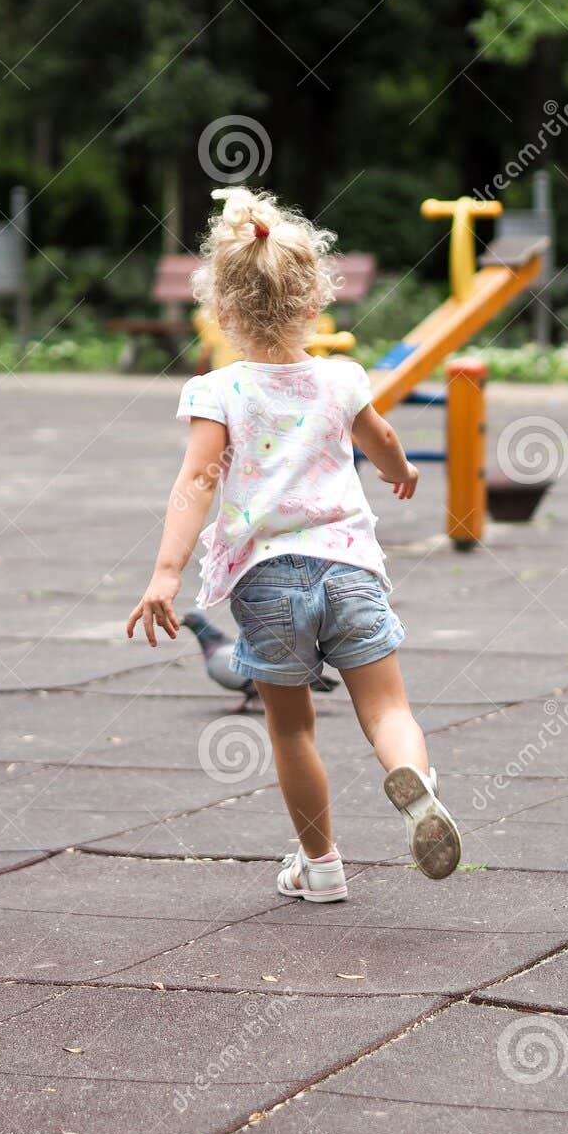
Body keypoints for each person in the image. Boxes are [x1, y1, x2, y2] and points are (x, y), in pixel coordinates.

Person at [127, 187, 462, 902]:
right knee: (388, 709)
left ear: (220, 312)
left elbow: (195, 485)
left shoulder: (218, 391)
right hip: (350, 571)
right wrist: (399, 473)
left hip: (268, 581)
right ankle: (420, 790)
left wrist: (165, 574)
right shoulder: (342, 378)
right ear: (316, 304)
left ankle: (322, 867)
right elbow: (386, 442)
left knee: (292, 731)